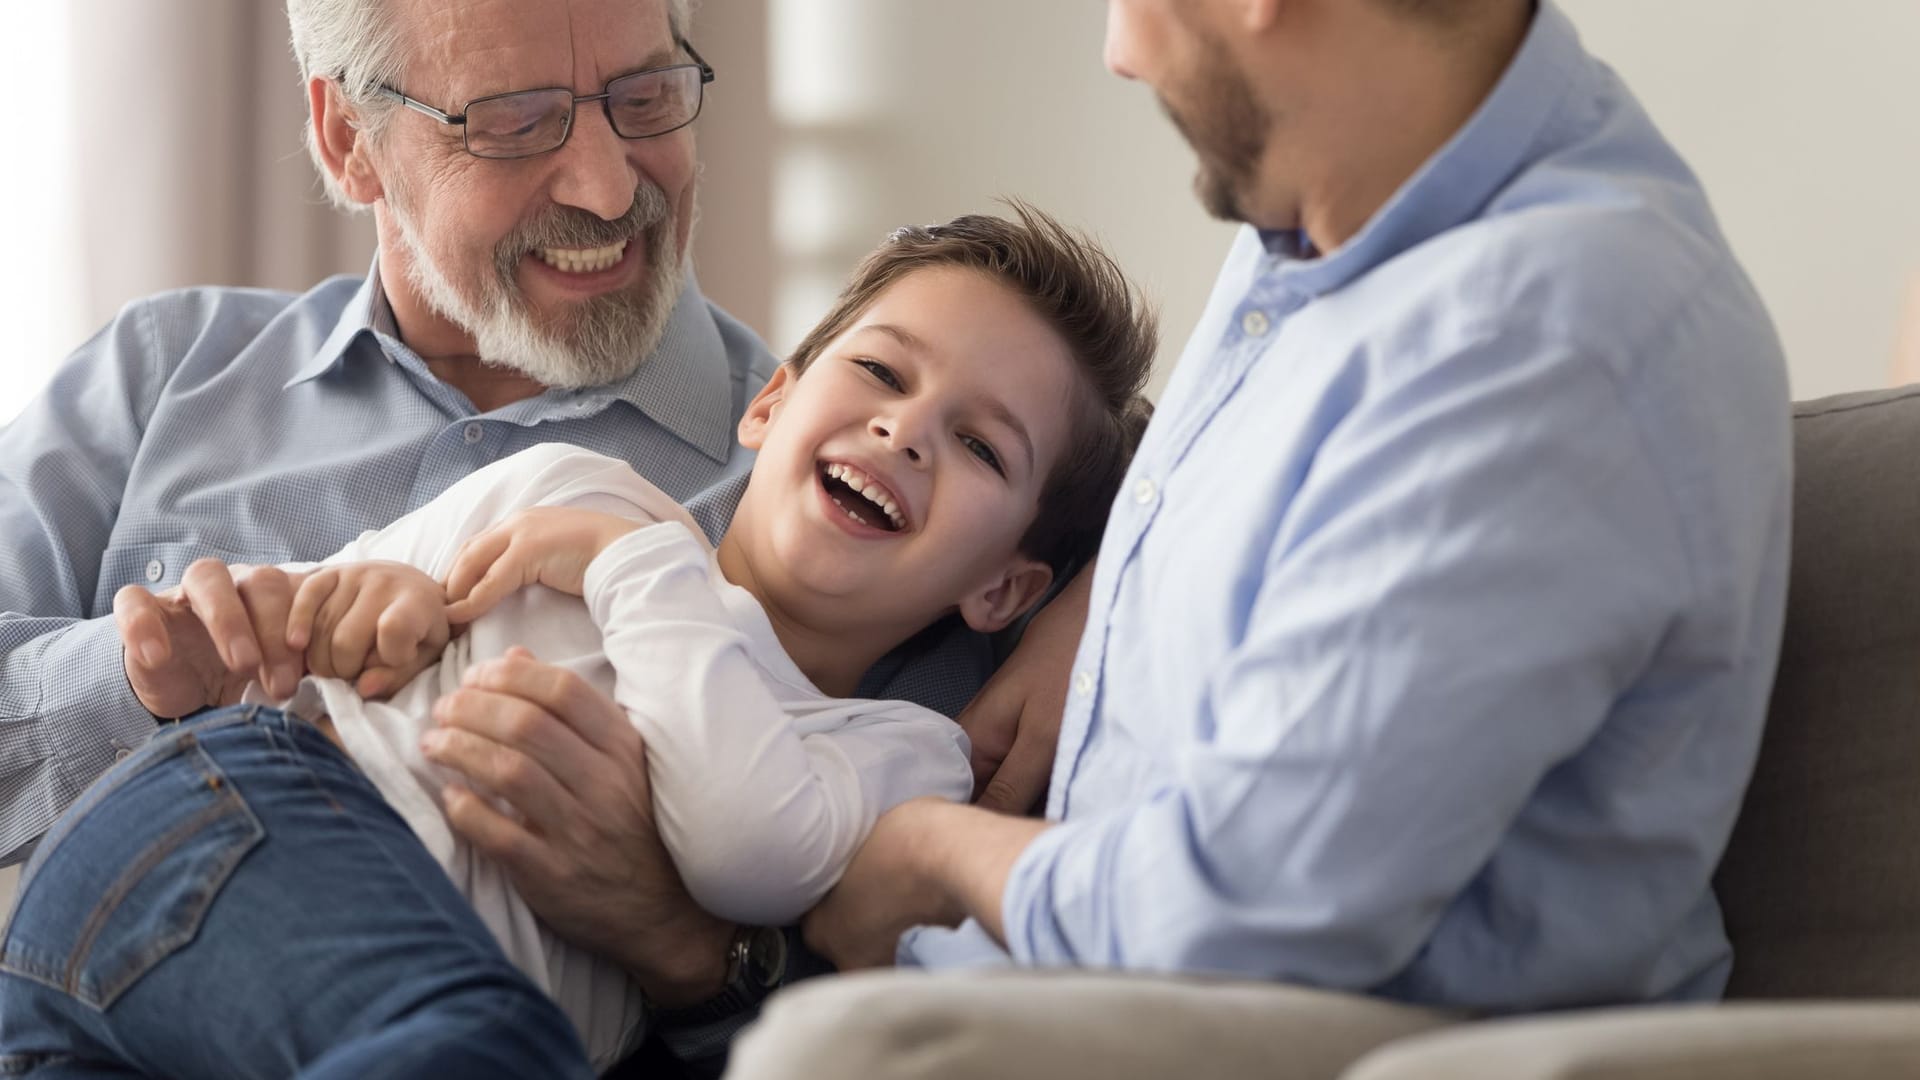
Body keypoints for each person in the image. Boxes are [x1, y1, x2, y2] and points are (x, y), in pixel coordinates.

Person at [727, 0, 1794, 1075]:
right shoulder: (1329, 233)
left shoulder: (1542, 337)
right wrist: (1104, 601)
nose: (1121, 51)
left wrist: (928, 852)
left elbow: (1238, 914)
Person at [0, 0, 1079, 1061]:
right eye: (514, 122)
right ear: (349, 141)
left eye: (648, 97)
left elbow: (894, 1006)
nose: (610, 189)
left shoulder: (855, 523)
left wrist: (687, 944)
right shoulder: (159, 374)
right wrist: (142, 681)